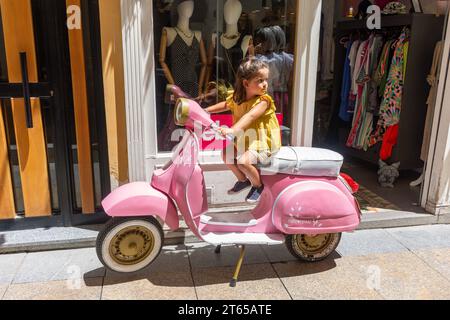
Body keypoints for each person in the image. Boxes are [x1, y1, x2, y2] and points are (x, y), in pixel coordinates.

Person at [205, 58, 281, 203]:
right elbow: (225, 105)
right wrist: (206, 111)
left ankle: (258, 186)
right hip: (247, 140)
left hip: (263, 142)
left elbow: (250, 116)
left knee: (243, 162)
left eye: (266, 79)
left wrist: (232, 130)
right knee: (226, 154)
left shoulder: (264, 101)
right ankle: (243, 180)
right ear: (246, 84)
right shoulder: (238, 97)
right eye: (259, 80)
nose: (265, 84)